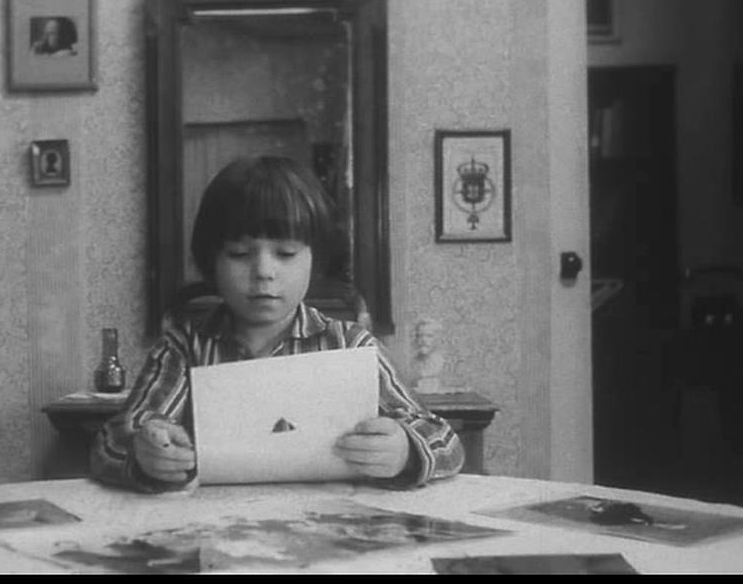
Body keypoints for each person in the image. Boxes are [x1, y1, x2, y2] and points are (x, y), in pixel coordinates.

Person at [90, 156, 464, 493]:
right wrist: (144, 452)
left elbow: (445, 440)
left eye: (286, 253)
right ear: (211, 262)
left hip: (331, 530)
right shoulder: (184, 348)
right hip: (215, 531)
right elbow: (109, 444)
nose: (264, 272)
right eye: (239, 254)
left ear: (315, 260)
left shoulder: (351, 346)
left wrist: (405, 449)